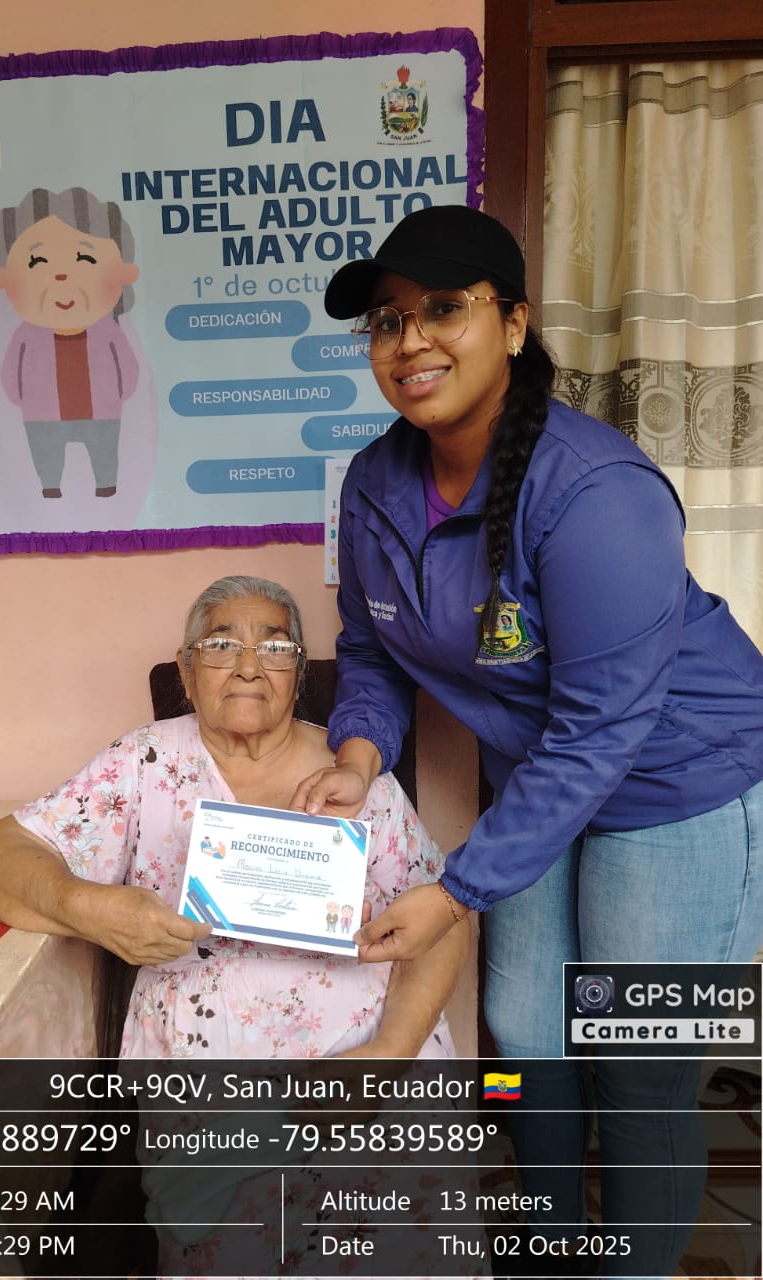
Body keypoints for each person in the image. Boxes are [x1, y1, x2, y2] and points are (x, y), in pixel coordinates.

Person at [292, 203, 763, 1279]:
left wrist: (456, 891)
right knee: (524, 1033)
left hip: (680, 781)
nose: (409, 340)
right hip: (544, 787)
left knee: (636, 1070)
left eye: (441, 309)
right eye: (386, 320)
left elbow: (603, 731)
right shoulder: (374, 484)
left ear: (512, 323)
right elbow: (369, 650)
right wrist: (357, 757)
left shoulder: (595, 491)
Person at [0, 574, 479, 1276]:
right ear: (186, 671)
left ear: (298, 677)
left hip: (369, 1056)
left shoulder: (356, 778)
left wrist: (389, 1055)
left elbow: (448, 920)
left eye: (274, 647)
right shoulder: (143, 764)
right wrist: (92, 908)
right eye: (220, 644)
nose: (247, 665)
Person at [0, 186, 140, 499]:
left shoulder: (107, 330)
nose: (61, 276)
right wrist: (21, 398)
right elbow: (11, 372)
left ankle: (106, 485)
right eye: (37, 262)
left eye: (84, 258)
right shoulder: (27, 333)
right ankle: (50, 486)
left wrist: (119, 394)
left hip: (102, 410)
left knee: (103, 451)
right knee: (47, 452)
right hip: (41, 413)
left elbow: (127, 369)